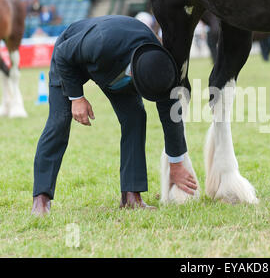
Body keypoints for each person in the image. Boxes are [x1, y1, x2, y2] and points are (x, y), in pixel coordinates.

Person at [31, 15, 198, 216]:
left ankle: (130, 196)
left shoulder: (161, 68)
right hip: (72, 57)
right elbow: (62, 54)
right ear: (133, 76)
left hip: (117, 67)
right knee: (59, 120)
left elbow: (172, 117)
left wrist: (176, 162)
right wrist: (76, 97)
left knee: (135, 117)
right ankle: (41, 199)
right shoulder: (101, 42)